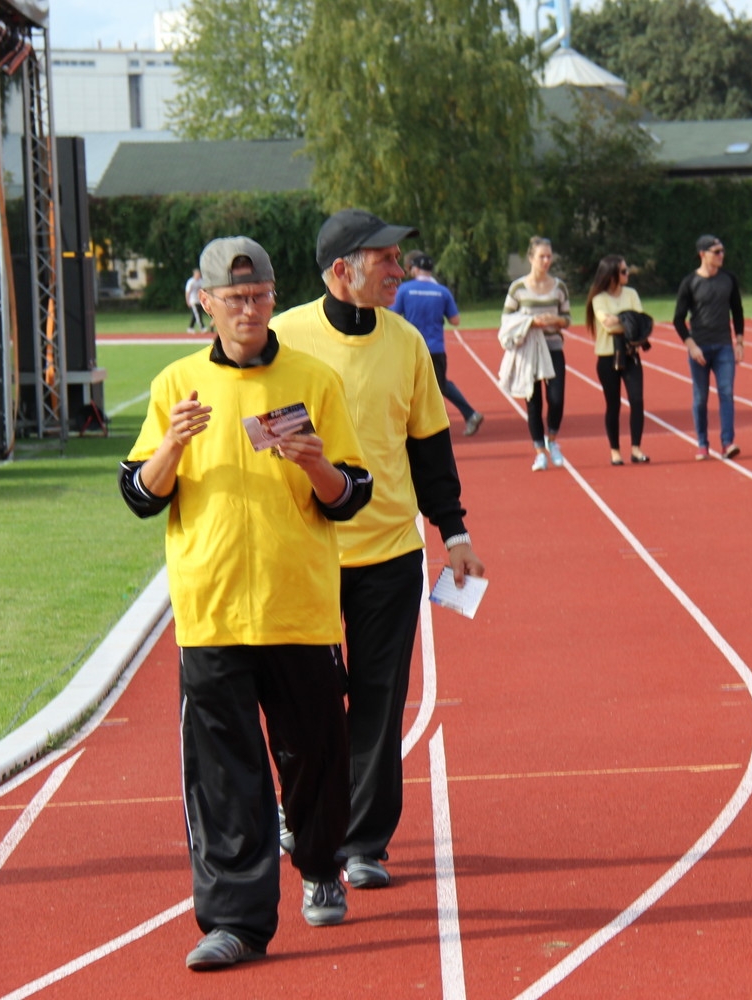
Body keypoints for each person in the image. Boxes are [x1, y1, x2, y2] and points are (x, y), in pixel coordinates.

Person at [121, 236, 373, 969]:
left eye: (260, 296)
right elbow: (140, 495)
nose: (250, 311)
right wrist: (170, 446)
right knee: (224, 779)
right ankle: (235, 921)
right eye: (234, 300)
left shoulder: (314, 379)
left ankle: (321, 861)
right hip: (212, 612)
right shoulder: (177, 386)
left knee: (318, 761)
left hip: (298, 610)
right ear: (204, 302)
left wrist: (317, 463)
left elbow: (351, 496)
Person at [275, 208, 486, 890]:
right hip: (304, 553)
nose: (400, 270)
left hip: (390, 554)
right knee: (304, 704)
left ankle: (364, 841)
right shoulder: (284, 340)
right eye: (386, 260)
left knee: (377, 702)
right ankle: (302, 812)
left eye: (398, 258)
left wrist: (453, 533)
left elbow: (430, 447)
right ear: (343, 270)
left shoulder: (406, 345)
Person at [392, 253, 485, 436]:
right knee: (438, 385)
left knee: (410, 386)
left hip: (413, 348)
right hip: (436, 348)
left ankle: (416, 427)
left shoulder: (405, 290)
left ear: (416, 269)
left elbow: (393, 316)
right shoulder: (442, 291)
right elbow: (455, 320)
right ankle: (468, 414)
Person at [674, 234, 744, 460]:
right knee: (700, 397)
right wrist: (691, 346)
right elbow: (678, 319)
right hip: (700, 347)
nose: (722, 255)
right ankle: (703, 443)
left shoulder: (729, 279)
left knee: (726, 392)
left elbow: (738, 311)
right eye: (717, 252)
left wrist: (740, 341)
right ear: (703, 254)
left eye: (722, 251)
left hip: (723, 346)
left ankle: (727, 442)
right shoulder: (690, 283)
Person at [505, 237, 571, 471]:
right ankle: (539, 452)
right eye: (541, 256)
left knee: (557, 398)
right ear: (531, 258)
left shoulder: (559, 287)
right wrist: (530, 322)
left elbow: (568, 318)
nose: (546, 261)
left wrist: (557, 320)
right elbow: (507, 319)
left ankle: (552, 440)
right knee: (533, 402)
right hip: (529, 350)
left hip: (553, 347)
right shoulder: (518, 288)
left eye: (549, 256)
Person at [586, 254, 649, 465]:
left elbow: (640, 323)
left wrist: (621, 320)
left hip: (631, 355)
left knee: (637, 400)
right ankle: (615, 450)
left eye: (626, 270)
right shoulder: (599, 299)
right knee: (613, 405)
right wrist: (627, 319)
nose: (627, 274)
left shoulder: (631, 293)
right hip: (607, 357)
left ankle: (636, 448)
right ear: (611, 274)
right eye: (623, 271)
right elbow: (607, 324)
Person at [184, 268, 206, 333]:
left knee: (196, 314)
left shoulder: (201, 281)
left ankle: (190, 327)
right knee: (197, 315)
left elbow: (204, 290)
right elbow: (187, 292)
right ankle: (202, 327)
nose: (198, 275)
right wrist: (187, 301)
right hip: (193, 301)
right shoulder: (191, 282)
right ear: (194, 274)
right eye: (197, 274)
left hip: (199, 300)